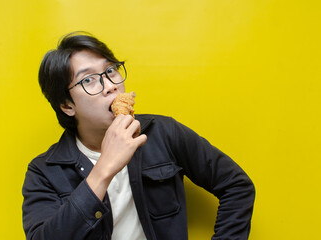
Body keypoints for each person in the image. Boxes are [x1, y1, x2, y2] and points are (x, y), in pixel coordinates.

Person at [22, 31, 255, 240]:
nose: (111, 85)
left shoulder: (163, 133)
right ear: (66, 105)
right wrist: (104, 168)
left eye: (110, 70)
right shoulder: (44, 172)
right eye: (89, 80)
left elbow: (236, 186)